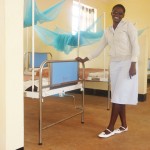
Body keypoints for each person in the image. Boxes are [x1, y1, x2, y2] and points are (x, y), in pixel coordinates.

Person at [76, 4, 140, 138]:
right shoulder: (108, 31)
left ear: (123, 15)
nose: (117, 14)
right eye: (115, 12)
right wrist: (84, 59)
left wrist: (133, 63)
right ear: (111, 13)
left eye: (121, 13)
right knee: (118, 95)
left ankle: (110, 127)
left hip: (127, 63)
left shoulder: (128, 26)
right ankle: (124, 125)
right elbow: (99, 48)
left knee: (117, 96)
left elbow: (135, 45)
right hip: (115, 64)